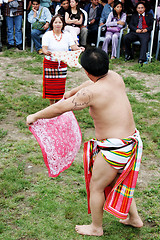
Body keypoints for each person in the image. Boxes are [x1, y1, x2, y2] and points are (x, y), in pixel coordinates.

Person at [26, 47, 143, 236]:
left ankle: (96, 227)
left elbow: (60, 108)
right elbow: (88, 84)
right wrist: (73, 90)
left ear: (87, 71)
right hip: (130, 141)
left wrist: (35, 116)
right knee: (114, 179)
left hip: (115, 148)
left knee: (96, 186)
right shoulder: (115, 77)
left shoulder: (91, 94)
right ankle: (134, 218)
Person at [42, 14, 84, 105]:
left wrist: (79, 48)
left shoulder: (67, 35)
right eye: (56, 22)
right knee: (50, 85)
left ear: (62, 24)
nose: (58, 24)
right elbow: (44, 48)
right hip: (50, 62)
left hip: (62, 63)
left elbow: (73, 46)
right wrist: (46, 52)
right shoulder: (47, 35)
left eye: (60, 22)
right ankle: (51, 104)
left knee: (59, 85)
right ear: (52, 24)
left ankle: (58, 103)